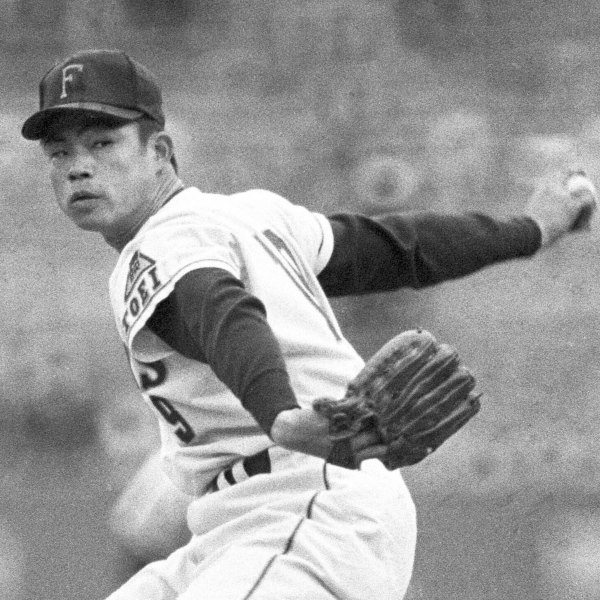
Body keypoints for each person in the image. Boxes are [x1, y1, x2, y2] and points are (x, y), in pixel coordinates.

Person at [21, 49, 596, 600]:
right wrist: (531, 229)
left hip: (303, 503)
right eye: (59, 153)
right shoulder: (251, 215)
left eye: (103, 143)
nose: (79, 167)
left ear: (160, 151)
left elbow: (218, 309)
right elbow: (395, 248)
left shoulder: (164, 242)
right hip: (245, 523)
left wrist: (281, 414)